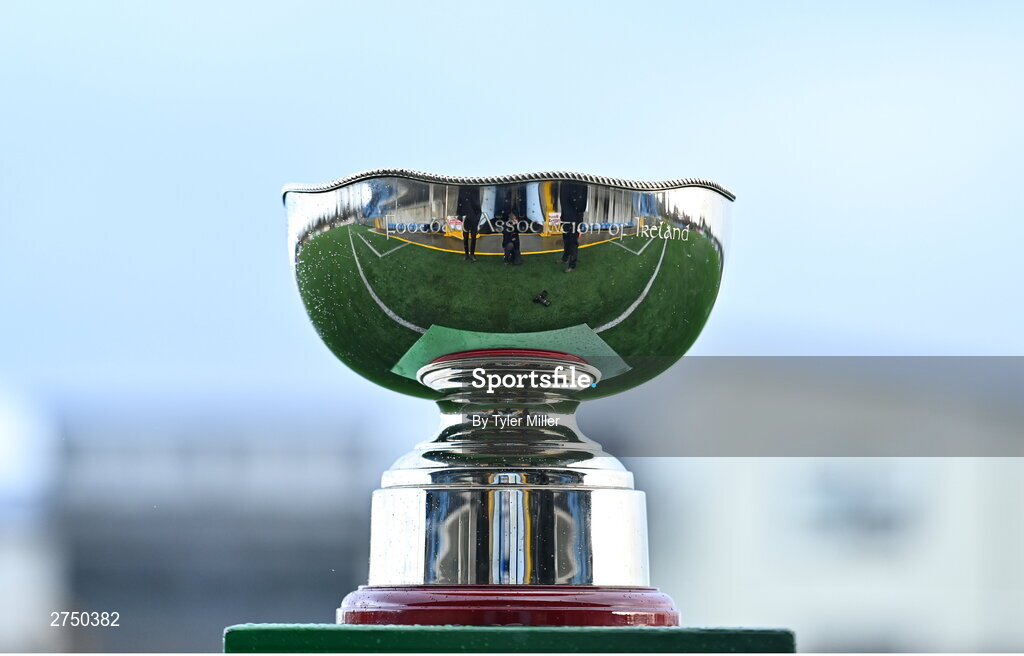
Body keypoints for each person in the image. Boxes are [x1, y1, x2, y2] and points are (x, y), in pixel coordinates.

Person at [558, 180, 588, 273]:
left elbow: (582, 203)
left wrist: (578, 215)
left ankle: (572, 265)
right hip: (565, 216)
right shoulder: (564, 183)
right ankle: (565, 258)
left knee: (573, 241)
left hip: (575, 217)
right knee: (566, 239)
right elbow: (562, 200)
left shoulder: (581, 183)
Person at [456, 185, 482, 261]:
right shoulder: (462, 188)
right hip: (465, 216)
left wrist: (477, 218)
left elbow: (478, 205)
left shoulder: (475, 189)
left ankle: (472, 254)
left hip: (474, 216)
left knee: (473, 237)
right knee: (465, 237)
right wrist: (459, 214)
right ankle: (466, 254)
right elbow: (459, 201)